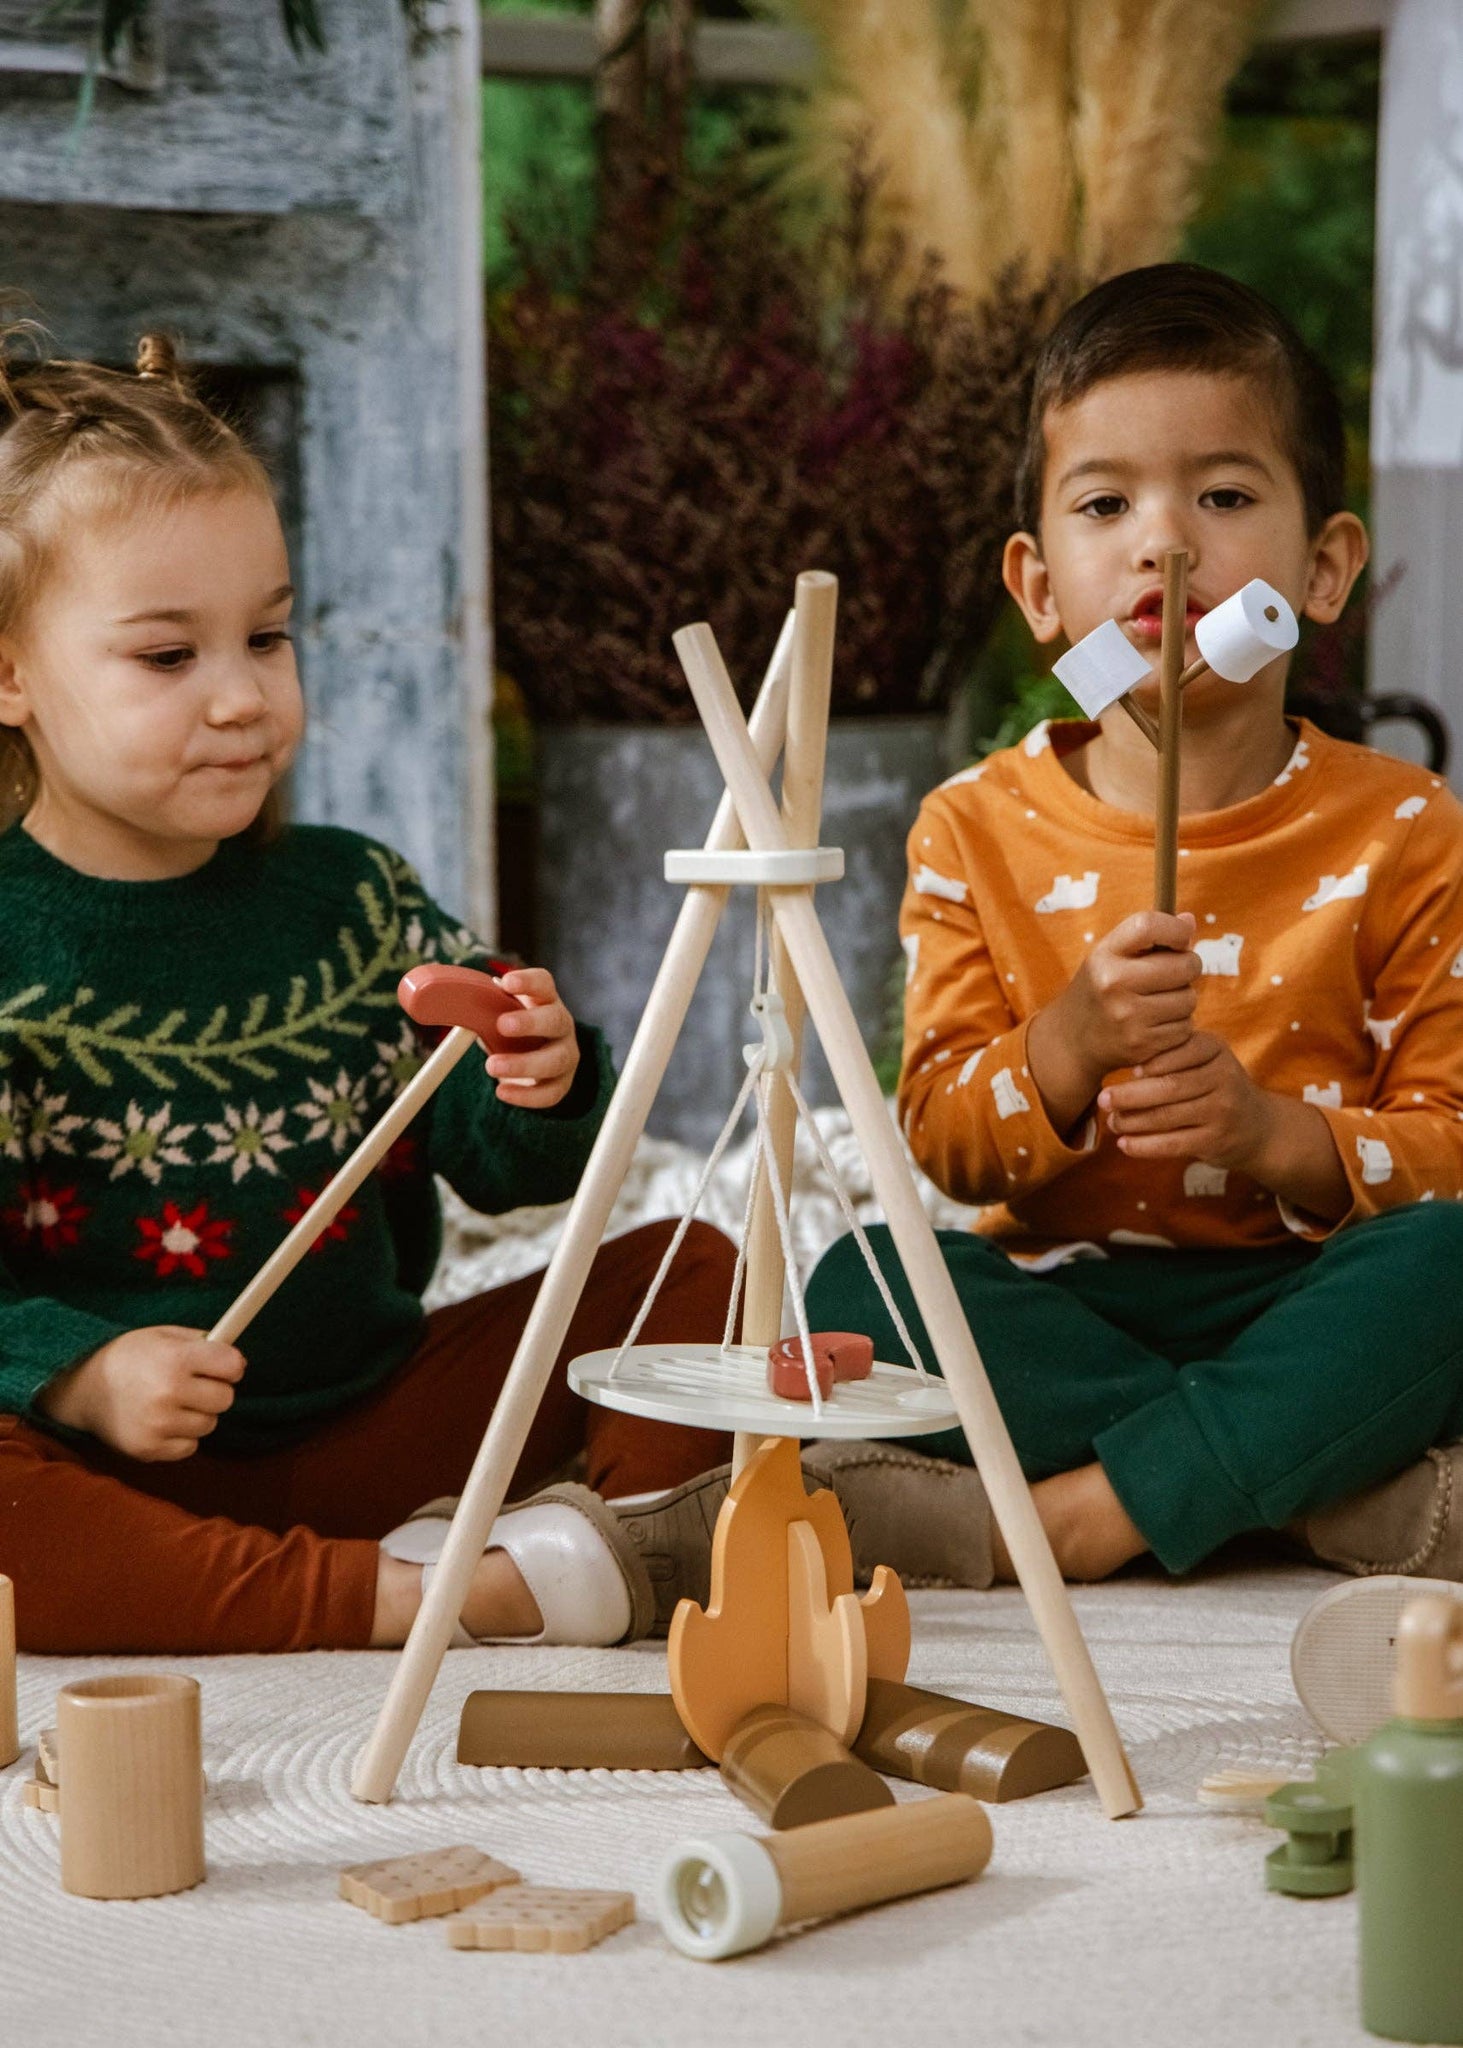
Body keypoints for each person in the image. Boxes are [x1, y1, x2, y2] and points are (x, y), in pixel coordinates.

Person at [0, 326, 738, 1655]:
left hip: (375, 1419)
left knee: (695, 1268)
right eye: (169, 658)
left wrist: (543, 1079)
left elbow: (512, 1172)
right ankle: (409, 1597)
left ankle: (603, 1546)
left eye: (268, 637)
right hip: (120, 1471)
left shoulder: (355, 899)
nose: (241, 697)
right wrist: (84, 1371)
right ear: (9, 674)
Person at [795, 262, 1463, 1591]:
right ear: (1041, 590)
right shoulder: (972, 828)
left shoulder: (1408, 827)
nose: (1165, 544)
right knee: (858, 1285)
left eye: (1222, 496)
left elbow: (1450, 1153)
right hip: (1072, 1298)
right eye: (1109, 504)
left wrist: (1273, 1135)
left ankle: (1091, 1513)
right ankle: (1298, 1485)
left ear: (1323, 569)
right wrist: (1068, 1043)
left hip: (1307, 1293)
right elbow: (942, 1139)